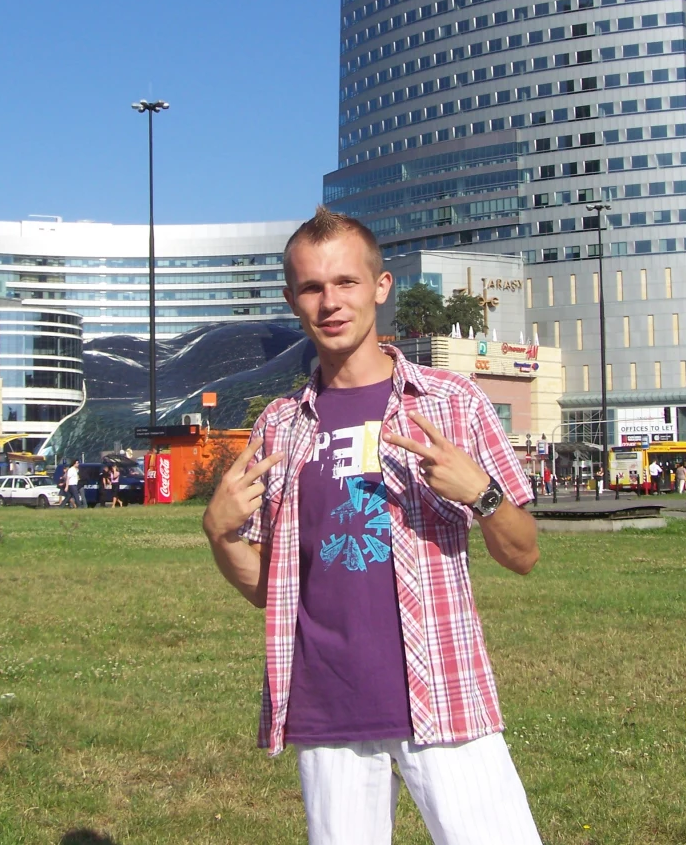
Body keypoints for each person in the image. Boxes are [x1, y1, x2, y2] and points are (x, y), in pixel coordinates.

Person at [202, 207, 543, 845]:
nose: (330, 302)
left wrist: (482, 494)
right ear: (292, 301)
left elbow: (524, 553)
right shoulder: (279, 426)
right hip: (326, 708)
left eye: (346, 282)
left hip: (443, 693)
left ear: (380, 287)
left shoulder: (453, 403)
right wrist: (220, 535)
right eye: (311, 287)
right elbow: (272, 590)